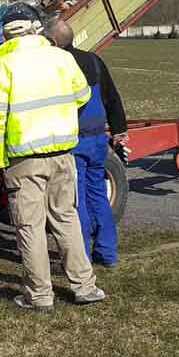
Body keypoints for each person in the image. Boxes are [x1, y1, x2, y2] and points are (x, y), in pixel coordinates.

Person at [0, 4, 107, 310]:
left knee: (30, 227)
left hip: (23, 160)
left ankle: (39, 295)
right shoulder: (63, 58)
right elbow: (82, 95)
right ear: (36, 28)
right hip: (63, 154)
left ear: (6, 34)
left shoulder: (0, 67)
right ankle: (84, 287)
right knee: (66, 218)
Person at [46, 19, 128, 267]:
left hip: (74, 141)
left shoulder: (56, 65)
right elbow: (111, 96)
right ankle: (108, 253)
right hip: (98, 140)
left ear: (53, 42)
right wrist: (119, 130)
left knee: (76, 200)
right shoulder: (93, 60)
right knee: (98, 197)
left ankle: (81, 256)